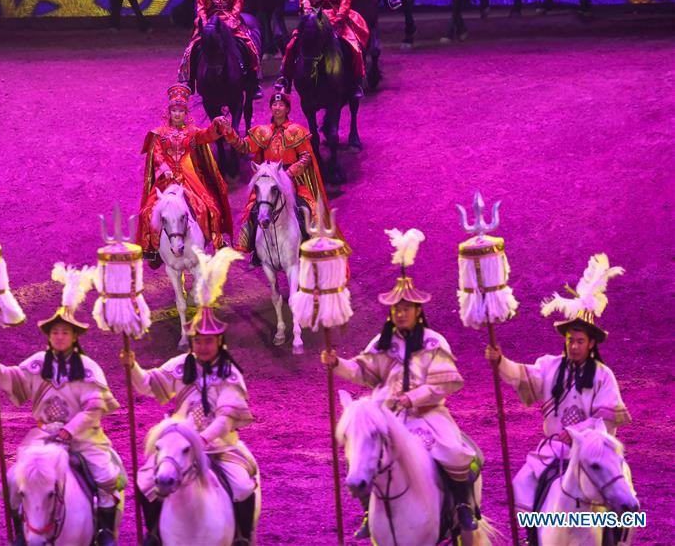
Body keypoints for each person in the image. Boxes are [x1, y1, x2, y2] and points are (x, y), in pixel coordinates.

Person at [322, 229, 479, 537]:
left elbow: (445, 384)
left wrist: (414, 398)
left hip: (429, 415)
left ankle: (462, 507)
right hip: (390, 415)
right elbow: (364, 372)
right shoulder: (382, 343)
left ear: (418, 311)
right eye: (396, 308)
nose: (400, 312)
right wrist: (337, 363)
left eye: (406, 308)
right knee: (367, 456)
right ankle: (370, 511)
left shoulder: (434, 342)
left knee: (455, 452)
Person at [121, 248, 258, 546]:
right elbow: (146, 384)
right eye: (198, 341)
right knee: (146, 481)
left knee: (243, 485)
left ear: (219, 341)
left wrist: (204, 440)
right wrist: (131, 365)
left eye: (208, 341)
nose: (203, 346)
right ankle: (155, 533)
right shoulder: (180, 365)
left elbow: (225, 419)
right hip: (179, 443)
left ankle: (242, 538)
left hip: (217, 446)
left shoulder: (230, 374)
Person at [0, 264, 125, 545]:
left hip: (84, 437)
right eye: (55, 332)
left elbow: (94, 407)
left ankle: (104, 532)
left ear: (74, 336)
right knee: (15, 478)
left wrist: (70, 431)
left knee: (107, 476)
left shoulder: (88, 368)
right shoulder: (37, 363)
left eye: (65, 332)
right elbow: (13, 379)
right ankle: (23, 534)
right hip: (44, 435)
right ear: (49, 336)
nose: (59, 336)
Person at [485, 253, 631, 513]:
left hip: (592, 453)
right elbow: (521, 374)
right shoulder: (549, 365)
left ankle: (615, 538)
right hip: (555, 449)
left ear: (591, 343)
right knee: (522, 484)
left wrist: (576, 434)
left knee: (619, 495)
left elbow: (605, 423)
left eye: (580, 341)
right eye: (570, 341)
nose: (574, 346)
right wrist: (500, 361)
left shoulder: (603, 375)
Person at [219, 83, 338, 267]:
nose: (277, 108)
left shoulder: (296, 131)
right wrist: (229, 133)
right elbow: (243, 145)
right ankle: (256, 251)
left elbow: (306, 156)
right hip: (269, 181)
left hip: (293, 182)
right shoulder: (263, 132)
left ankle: (307, 249)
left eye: (281, 105)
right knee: (253, 210)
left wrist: (290, 172)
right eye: (274, 105)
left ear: (288, 109)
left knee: (308, 209)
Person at [137, 83, 233, 268]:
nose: (177, 114)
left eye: (181, 111)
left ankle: (217, 241)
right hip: (166, 179)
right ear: (169, 112)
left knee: (211, 207)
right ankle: (153, 250)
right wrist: (163, 165)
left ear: (186, 113)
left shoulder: (193, 132)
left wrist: (217, 123)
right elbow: (156, 153)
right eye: (174, 110)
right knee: (147, 212)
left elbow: (208, 135)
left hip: (190, 178)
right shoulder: (159, 134)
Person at [179, 0, 262, 98]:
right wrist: (203, 22)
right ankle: (189, 80)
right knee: (192, 48)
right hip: (209, 21)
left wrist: (231, 20)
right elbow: (200, 4)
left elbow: (238, 3)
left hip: (230, 20)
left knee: (249, 45)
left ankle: (253, 82)